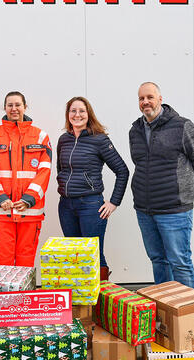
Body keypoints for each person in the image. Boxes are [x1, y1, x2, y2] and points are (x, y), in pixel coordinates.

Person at [129, 82, 194, 288]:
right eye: (141, 98)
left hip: (174, 210)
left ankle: (187, 308)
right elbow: (139, 162)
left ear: (160, 99)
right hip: (145, 209)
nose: (145, 102)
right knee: (158, 260)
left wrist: (180, 183)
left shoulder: (182, 126)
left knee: (179, 262)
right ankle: (165, 306)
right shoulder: (135, 130)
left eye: (150, 97)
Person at [57, 97, 129, 281]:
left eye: (82, 111)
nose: (77, 115)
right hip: (66, 206)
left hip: (90, 205)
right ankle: (82, 295)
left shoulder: (100, 139)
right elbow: (61, 169)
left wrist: (114, 202)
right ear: (68, 114)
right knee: (75, 255)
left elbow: (122, 170)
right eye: (73, 111)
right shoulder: (63, 140)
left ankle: (101, 294)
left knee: (93, 254)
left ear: (88, 114)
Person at [0, 91, 52, 267]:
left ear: (25, 107)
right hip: (1, 211)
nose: (14, 109)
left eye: (18, 105)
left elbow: (44, 171)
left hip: (30, 210)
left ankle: (24, 287)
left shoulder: (41, 137)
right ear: (4, 107)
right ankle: (5, 288)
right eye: (10, 105)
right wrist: (0, 198)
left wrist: (28, 199)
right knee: (3, 259)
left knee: (26, 258)